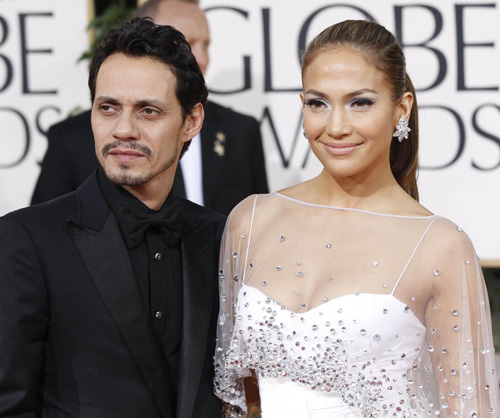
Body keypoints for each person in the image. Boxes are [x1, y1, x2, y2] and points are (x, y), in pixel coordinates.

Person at [213, 19, 500, 417]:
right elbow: (240, 398)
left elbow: (469, 410)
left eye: (360, 102)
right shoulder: (250, 220)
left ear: (402, 108)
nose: (335, 126)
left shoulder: (442, 246)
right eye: (318, 103)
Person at [0, 18, 224, 418]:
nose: (123, 129)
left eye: (148, 111)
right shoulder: (27, 240)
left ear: (191, 122)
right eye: (108, 108)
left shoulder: (221, 237)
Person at [31, 0, 268, 216]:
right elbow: (46, 232)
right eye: (187, 44)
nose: (203, 59)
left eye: (206, 45)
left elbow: (259, 229)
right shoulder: (70, 138)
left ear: (193, 121)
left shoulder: (240, 130)